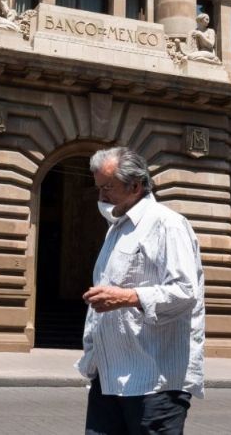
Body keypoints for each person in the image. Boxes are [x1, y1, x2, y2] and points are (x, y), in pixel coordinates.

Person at [76, 147, 205, 434]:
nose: (100, 197)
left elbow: (185, 292)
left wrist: (127, 297)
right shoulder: (116, 229)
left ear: (135, 186)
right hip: (109, 378)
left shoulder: (168, 225)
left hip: (154, 383)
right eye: (98, 188)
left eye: (107, 188)